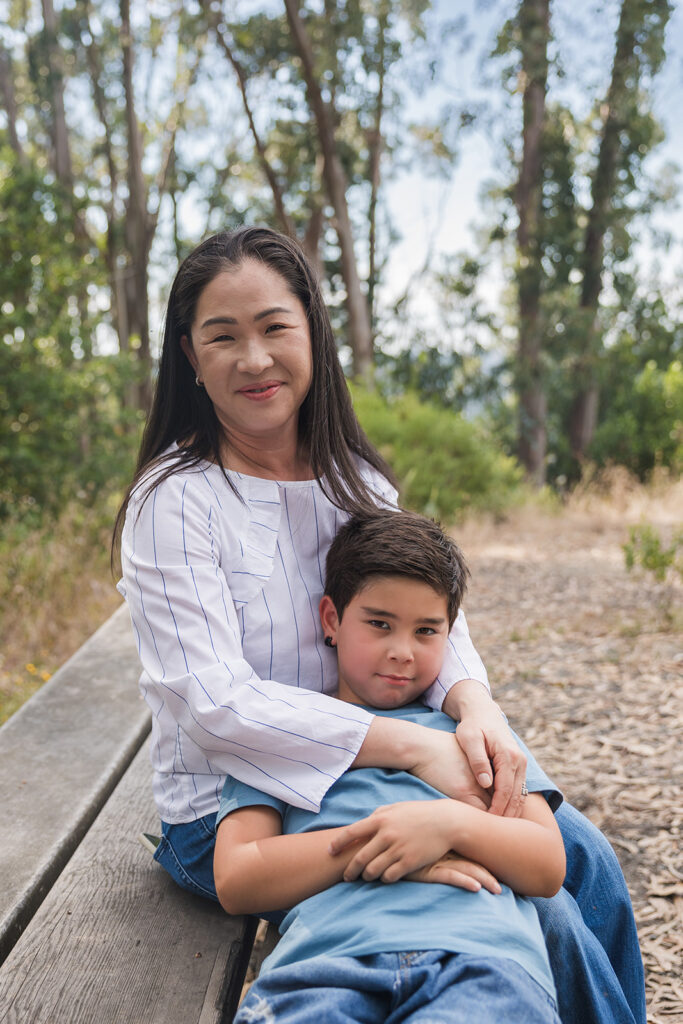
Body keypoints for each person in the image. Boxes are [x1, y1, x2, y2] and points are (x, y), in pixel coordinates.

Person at [113, 226, 645, 1024]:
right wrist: (419, 749)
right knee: (544, 911)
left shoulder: (349, 476)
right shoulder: (175, 500)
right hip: (242, 804)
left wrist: (476, 710)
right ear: (189, 356)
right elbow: (213, 706)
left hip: (381, 765)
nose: (253, 359)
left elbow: (428, 605)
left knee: (588, 868)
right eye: (222, 337)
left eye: (273, 328)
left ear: (313, 336)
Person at [214, 508, 566, 1024]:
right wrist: (383, 841)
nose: (403, 652)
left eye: (427, 631)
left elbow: (547, 864)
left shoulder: (475, 734)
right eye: (379, 624)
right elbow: (237, 878)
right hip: (323, 969)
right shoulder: (286, 730)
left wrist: (446, 825)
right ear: (331, 620)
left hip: (477, 961)